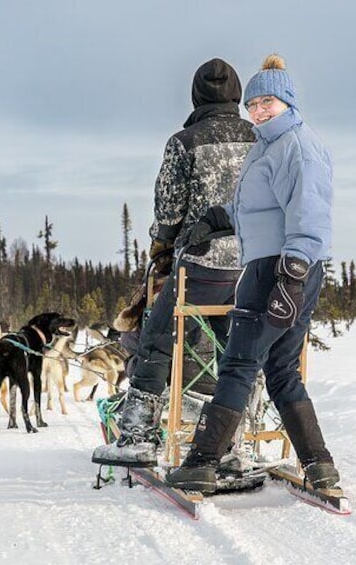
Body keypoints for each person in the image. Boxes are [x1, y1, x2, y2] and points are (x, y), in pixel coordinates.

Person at [165, 54, 341, 492]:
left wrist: (291, 276)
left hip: (281, 270)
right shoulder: (269, 146)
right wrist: (218, 219)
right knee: (281, 369)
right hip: (274, 265)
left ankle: (203, 461)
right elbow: (261, 210)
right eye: (254, 103)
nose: (259, 110)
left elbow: (310, 216)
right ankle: (319, 465)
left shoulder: (299, 148)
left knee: (239, 362)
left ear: (288, 102)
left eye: (269, 103)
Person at [92, 58, 255, 467]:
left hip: (199, 267)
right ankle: (232, 441)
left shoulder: (184, 142)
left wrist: (161, 246)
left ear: (196, 96)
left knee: (155, 340)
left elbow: (168, 210)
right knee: (230, 352)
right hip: (250, 268)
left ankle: (138, 436)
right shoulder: (260, 139)